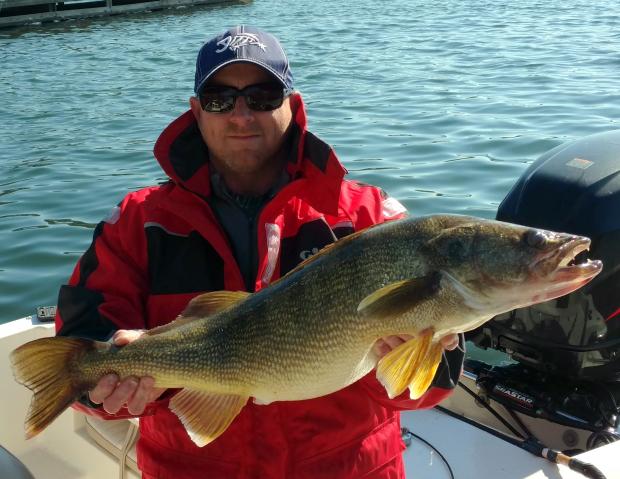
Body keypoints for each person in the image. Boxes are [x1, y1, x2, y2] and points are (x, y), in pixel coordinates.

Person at [55, 25, 465, 479]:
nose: (241, 115)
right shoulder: (139, 223)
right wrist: (105, 390)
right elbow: (77, 351)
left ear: (294, 104)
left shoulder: (366, 217)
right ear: (196, 111)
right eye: (219, 99)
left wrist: (401, 361)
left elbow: (426, 389)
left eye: (263, 96)